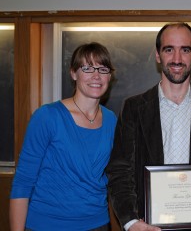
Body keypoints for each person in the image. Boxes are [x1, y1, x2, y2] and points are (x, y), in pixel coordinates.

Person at [106, 22, 191, 231]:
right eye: (169, 49)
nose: (177, 59)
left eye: (185, 50)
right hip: (148, 226)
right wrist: (131, 223)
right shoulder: (134, 107)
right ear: (158, 55)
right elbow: (120, 171)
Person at [9, 42, 117, 231]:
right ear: (73, 73)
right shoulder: (47, 116)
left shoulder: (111, 119)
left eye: (103, 68)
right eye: (87, 68)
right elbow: (23, 182)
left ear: (110, 76)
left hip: (98, 224)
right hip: (47, 225)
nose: (96, 75)